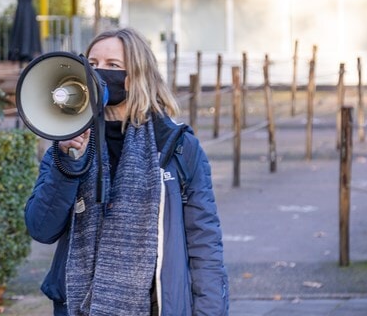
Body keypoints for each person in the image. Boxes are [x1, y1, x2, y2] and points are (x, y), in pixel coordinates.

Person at [25, 27, 229, 316]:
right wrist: (68, 164)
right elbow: (41, 228)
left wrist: (210, 311)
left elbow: (204, 241)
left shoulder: (176, 146)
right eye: (91, 64)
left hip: (152, 304)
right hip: (77, 304)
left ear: (137, 76)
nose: (98, 72)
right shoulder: (68, 140)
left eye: (113, 65)